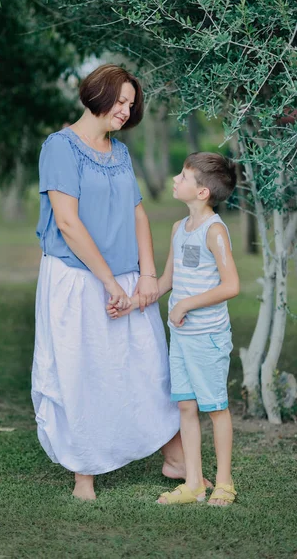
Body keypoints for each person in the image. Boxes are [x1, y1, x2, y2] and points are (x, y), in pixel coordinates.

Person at [32, 64, 186, 501]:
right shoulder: (59, 148)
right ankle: (85, 474)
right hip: (78, 279)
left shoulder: (119, 152)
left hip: (127, 277)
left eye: (130, 105)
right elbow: (67, 222)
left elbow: (137, 214)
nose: (124, 111)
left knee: (150, 367)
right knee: (85, 371)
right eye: (119, 101)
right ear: (95, 95)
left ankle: (175, 458)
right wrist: (108, 283)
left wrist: (148, 276)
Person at [108, 152, 239, 506]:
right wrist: (133, 303)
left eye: (183, 176)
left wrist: (185, 304)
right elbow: (166, 280)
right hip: (180, 338)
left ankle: (224, 483)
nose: (174, 180)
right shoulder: (179, 229)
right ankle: (194, 484)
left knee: (216, 408)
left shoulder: (215, 232)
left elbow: (231, 286)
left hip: (207, 338)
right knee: (185, 408)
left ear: (202, 193)